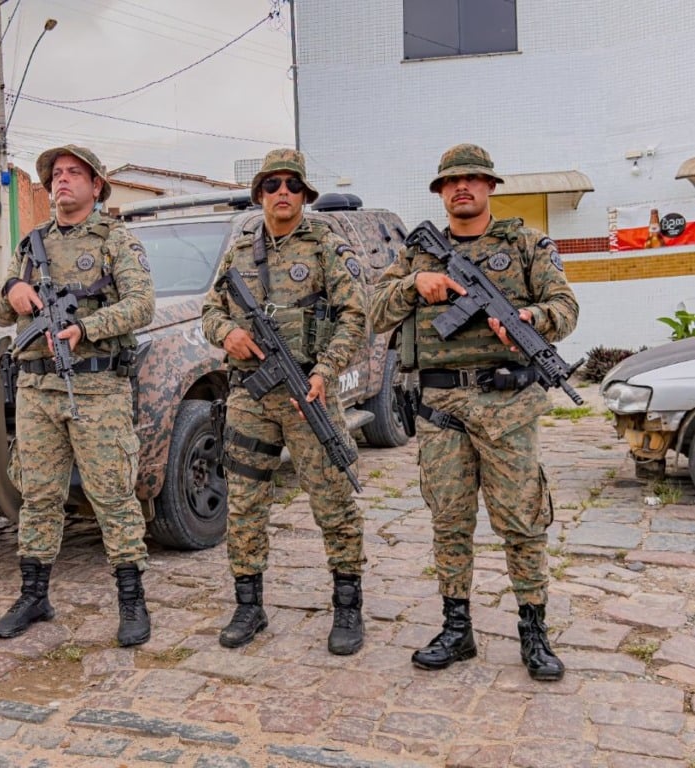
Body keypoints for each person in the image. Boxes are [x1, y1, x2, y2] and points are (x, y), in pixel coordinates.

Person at [370, 144, 579, 681]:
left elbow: (565, 307)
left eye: (472, 178)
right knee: (450, 521)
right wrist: (414, 285)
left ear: (490, 186)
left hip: (508, 407)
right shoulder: (416, 255)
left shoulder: (528, 244)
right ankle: (456, 629)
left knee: (523, 522)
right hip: (441, 408)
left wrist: (532, 318)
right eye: (451, 181)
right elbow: (373, 311)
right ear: (441, 192)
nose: (461, 187)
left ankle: (534, 630)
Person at [201, 148, 369, 655]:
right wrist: (227, 333)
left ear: (304, 194)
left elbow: (355, 316)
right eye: (272, 185)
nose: (282, 193)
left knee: (333, 501)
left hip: (308, 393)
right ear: (260, 194)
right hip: (250, 397)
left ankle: (347, 606)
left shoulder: (326, 245)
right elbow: (211, 311)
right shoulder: (239, 250)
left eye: (292, 185)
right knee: (245, 505)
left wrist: (324, 371)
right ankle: (248, 605)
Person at [0, 145, 155, 647]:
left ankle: (131, 601)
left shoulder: (115, 239)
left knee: (112, 495)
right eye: (56, 174)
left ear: (96, 185)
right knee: (38, 495)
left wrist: (87, 328)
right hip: (36, 388)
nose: (62, 180)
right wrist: (11, 289)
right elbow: (0, 313)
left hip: (97, 388)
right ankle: (33, 595)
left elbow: (142, 305)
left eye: (74, 173)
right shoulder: (31, 243)